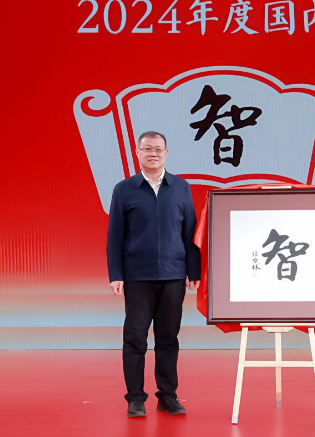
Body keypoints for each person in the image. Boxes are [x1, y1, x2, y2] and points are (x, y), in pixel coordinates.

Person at [107, 130, 201, 417]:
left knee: (168, 338)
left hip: (174, 275)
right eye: (147, 149)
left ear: (166, 153)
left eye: (158, 149)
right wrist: (116, 273)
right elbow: (115, 235)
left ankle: (167, 395)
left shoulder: (181, 187)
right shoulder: (124, 189)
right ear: (137, 153)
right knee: (135, 337)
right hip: (137, 276)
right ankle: (135, 398)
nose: (153, 153)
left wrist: (193, 270)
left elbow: (190, 231)